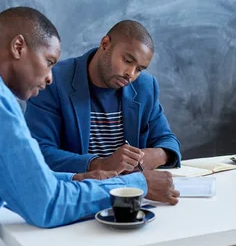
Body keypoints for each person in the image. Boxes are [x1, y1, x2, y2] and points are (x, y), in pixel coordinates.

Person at [0, 7, 179, 246]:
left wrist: (76, 177)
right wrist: (137, 186)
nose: (50, 77)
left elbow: (15, 174)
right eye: (49, 61)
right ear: (18, 47)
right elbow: (47, 206)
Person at [25, 20, 181, 175]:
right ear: (105, 44)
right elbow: (39, 151)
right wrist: (98, 164)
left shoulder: (145, 87)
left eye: (139, 69)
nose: (131, 74)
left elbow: (167, 139)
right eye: (127, 61)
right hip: (77, 191)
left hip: (130, 192)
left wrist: (156, 155)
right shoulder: (53, 80)